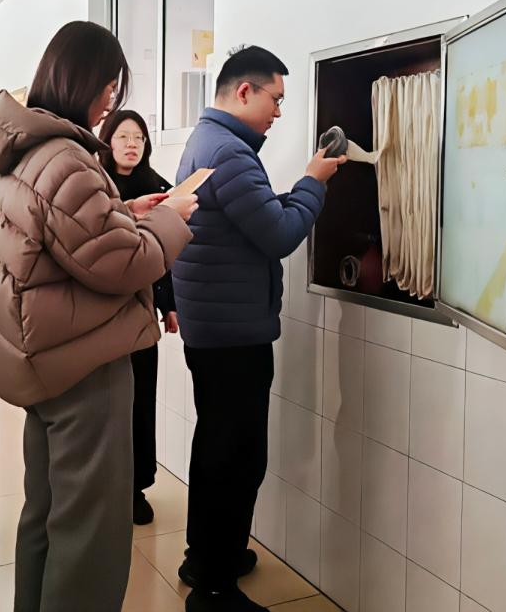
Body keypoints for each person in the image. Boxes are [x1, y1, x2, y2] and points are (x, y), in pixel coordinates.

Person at [0, 21, 197, 612]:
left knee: (46, 512)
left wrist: (123, 210)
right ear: (84, 80)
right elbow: (121, 263)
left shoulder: (23, 153)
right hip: (84, 365)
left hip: (44, 358)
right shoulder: (67, 158)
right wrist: (170, 219)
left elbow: (59, 239)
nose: (110, 102)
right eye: (110, 86)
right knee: (90, 528)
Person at [172, 46, 346, 612]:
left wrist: (296, 190)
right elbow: (279, 235)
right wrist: (313, 182)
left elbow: (252, 221)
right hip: (233, 336)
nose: (278, 112)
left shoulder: (208, 141)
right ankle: (214, 588)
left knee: (215, 446)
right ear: (244, 91)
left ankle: (206, 557)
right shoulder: (231, 153)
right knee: (236, 457)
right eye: (276, 99)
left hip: (212, 328)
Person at [98, 109, 178, 525]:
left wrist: (169, 304)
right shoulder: (96, 188)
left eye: (139, 138)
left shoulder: (159, 189)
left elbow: (166, 254)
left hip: (142, 315)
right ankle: (104, 487)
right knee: (107, 404)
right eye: (123, 137)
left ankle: (135, 488)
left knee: (140, 400)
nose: (132, 145)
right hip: (102, 316)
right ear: (107, 141)